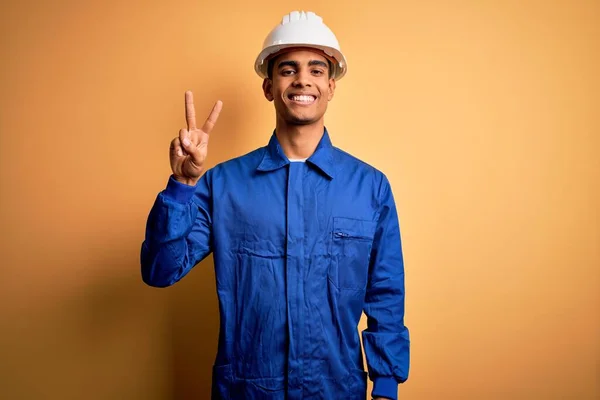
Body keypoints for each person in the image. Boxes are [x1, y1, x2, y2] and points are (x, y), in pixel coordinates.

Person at [141, 10, 410, 400]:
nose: (303, 79)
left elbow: (386, 293)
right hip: (246, 391)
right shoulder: (223, 184)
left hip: (336, 390)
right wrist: (183, 184)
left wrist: (386, 385)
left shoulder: (369, 187)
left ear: (331, 86)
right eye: (288, 69)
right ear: (269, 86)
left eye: (317, 70)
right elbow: (160, 270)